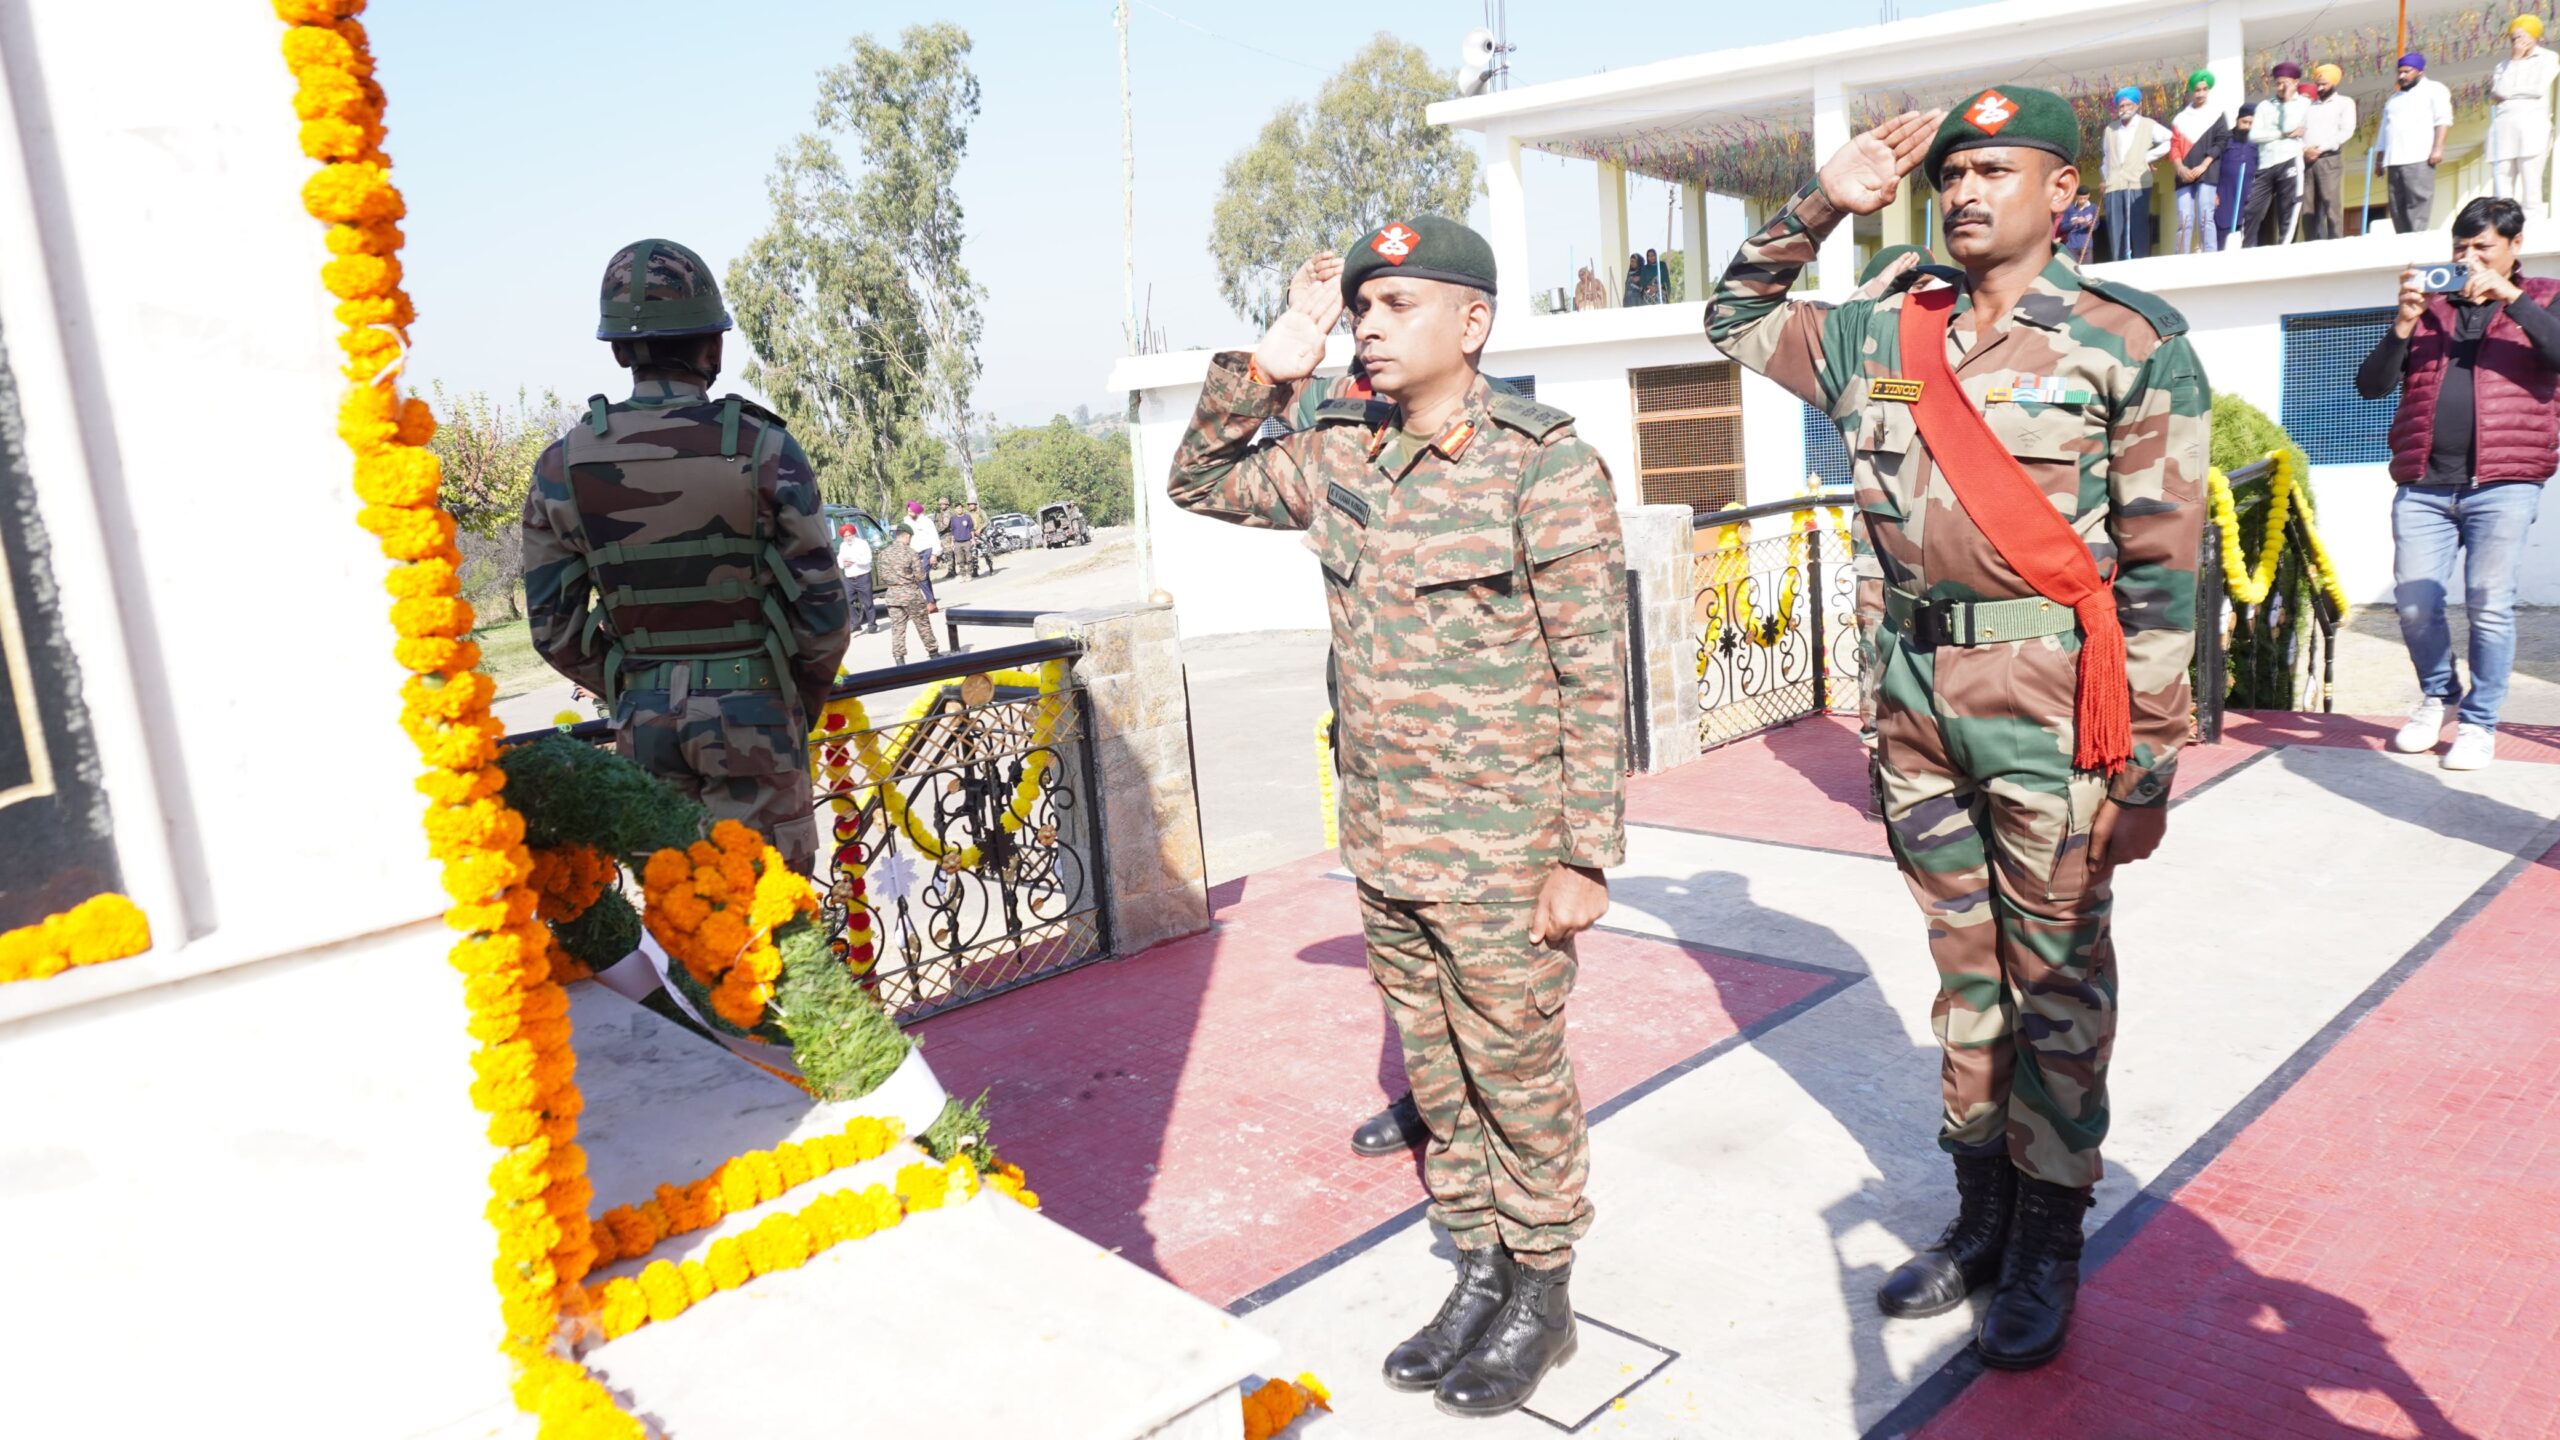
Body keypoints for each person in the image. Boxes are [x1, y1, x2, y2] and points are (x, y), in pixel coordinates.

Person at [1708, 87, 2208, 1371]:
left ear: (2061, 193)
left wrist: (2145, 765)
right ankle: (1978, 1213)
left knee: (2055, 984)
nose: (1968, 190)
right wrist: (1828, 198)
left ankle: (2048, 1235)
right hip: (1915, 704)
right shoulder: (1885, 324)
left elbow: (2160, 568)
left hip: (2054, 709)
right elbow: (1733, 315)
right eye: (1954, 173)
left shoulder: (2126, 341)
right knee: (1966, 976)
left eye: (1998, 168)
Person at [1169, 219, 1626, 1417]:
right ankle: (1474, 1265)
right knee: (1433, 1063)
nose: (1369, 325)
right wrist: (1281, 355)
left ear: (1470, 325)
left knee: (1514, 1069)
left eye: (1396, 305)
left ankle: (1542, 1289)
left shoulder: (1544, 465)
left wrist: (1582, 853)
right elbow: (1202, 478)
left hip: (1503, 842)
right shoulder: (1341, 454)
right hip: (1382, 833)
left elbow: (1592, 670)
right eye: (1359, 307)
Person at [521, 238, 851, 873]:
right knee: (771, 926)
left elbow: (553, 629)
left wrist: (639, 690)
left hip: (644, 728)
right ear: (713, 345)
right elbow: (823, 614)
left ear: (618, 349)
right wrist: (788, 702)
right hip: (757, 715)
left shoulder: (564, 463)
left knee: (683, 927)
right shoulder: (764, 448)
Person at [2356, 197, 2560, 771]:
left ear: (2514, 247)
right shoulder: (2430, 309)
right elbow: (2370, 386)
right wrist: (2401, 323)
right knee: (2415, 604)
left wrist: (2511, 299)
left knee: (2490, 605)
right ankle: (2439, 697)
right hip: (2424, 482)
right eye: (2460, 249)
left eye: (2482, 248)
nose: (2468, 259)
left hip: (2505, 483)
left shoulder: (2544, 296)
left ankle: (2479, 723)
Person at [2490, 16, 2558, 216]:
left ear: (2534, 36)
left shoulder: (2548, 58)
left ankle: (2534, 225)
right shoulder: (2504, 64)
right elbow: (2498, 92)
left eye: (2521, 37)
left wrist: (2509, 93)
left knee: (2531, 181)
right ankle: (2503, 225)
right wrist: (2516, 60)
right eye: (2513, 38)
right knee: (2502, 181)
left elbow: (2537, 89)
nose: (2517, 42)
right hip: (2503, 127)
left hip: (2532, 127)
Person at [2378, 53, 2452, 234]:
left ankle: (2418, 247)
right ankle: (2404, 247)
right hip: (2394, 160)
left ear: (2420, 71)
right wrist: (2379, 159)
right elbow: (2383, 131)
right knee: (2397, 208)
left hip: (2419, 157)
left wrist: (2438, 149)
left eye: (2406, 72)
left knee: (2417, 205)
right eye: (2399, 72)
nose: (2401, 76)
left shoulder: (2435, 89)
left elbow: (2443, 120)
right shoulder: (2394, 99)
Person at [2242, 62, 2311, 246]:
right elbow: (2255, 135)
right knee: (2252, 209)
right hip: (2266, 164)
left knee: (2288, 208)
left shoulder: (2303, 103)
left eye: (2285, 83)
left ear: (2296, 82)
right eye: (2278, 83)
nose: (2281, 88)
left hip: (2289, 160)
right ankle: (2246, 248)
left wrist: (2288, 101)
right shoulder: (2265, 106)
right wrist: (2282, 134)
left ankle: (2285, 249)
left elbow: (2290, 125)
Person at [2100, 86, 2171, 260]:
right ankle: (2119, 264)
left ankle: (2140, 263)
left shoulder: (2148, 125)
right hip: (2114, 184)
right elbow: (2106, 157)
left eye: (2128, 105)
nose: (2124, 109)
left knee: (2138, 226)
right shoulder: (2110, 129)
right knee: (2116, 230)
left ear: (2137, 105)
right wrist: (2104, 179)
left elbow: (2171, 140)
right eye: (2121, 106)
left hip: (2137, 182)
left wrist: (2149, 156)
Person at [2169, 71, 2231, 254]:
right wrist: (2180, 168)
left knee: (2206, 216)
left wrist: (2204, 165)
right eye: (2197, 90)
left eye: (2204, 89)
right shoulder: (2180, 119)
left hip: (2208, 172)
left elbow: (2222, 141)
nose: (2201, 94)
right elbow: (2173, 147)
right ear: (2191, 92)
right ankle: (2180, 257)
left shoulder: (2217, 114)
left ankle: (2210, 255)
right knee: (2185, 219)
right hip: (2184, 175)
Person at [2302, 63, 2358, 240]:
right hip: (2307, 161)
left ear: (2334, 83)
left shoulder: (2344, 103)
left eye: (2324, 84)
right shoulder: (2309, 107)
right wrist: (2305, 150)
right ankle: (2312, 244)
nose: (2319, 88)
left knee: (2330, 203)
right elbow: (2300, 132)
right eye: (2317, 84)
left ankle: (2336, 242)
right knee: (2308, 208)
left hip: (2329, 159)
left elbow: (2346, 131)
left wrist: (2320, 149)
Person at [876, 525, 941, 666]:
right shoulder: (910, 552)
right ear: (907, 536)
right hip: (910, 593)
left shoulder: (883, 554)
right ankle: (933, 653)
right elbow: (921, 575)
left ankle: (899, 659)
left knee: (897, 628)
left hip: (892, 594)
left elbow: (882, 577)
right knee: (922, 624)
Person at [2216, 105, 2260, 248]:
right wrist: (2214, 192)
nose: (2247, 126)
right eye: (2244, 122)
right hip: (2225, 196)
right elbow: (2214, 166)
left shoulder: (2258, 142)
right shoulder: (2224, 140)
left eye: (2250, 123)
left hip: (2249, 198)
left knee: (2248, 240)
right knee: (2224, 239)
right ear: (2237, 120)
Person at [836, 522, 877, 636]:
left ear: (854, 534)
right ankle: (855, 624)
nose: (848, 538)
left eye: (849, 535)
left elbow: (867, 559)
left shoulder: (862, 544)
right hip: (849, 578)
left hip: (863, 576)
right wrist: (843, 563)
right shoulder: (843, 545)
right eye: (845, 536)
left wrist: (854, 560)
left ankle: (872, 625)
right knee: (847, 601)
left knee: (867, 602)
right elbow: (839, 560)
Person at [904, 500, 941, 607]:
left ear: (917, 511)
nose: (909, 513)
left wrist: (935, 554)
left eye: (911, 511)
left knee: (921, 575)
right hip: (914, 552)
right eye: (908, 511)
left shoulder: (927, 522)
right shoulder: (906, 522)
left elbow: (935, 537)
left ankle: (930, 602)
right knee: (924, 577)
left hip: (927, 551)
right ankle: (931, 600)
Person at [2057, 188, 2097, 264]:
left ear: (2088, 196)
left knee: (2086, 271)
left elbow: (2095, 226)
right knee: (2073, 270)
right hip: (2072, 246)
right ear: (2076, 196)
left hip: (2086, 246)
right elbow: (2062, 227)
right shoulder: (2070, 208)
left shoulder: (2093, 208)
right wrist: (2074, 222)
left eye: (2085, 198)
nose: (2082, 200)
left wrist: (2086, 222)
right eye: (2080, 198)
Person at [945, 498, 979, 580]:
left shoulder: (967, 517)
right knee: (960, 560)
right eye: (957, 508)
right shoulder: (953, 519)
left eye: (960, 508)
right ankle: (963, 575)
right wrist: (952, 542)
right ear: (955, 510)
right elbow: (952, 531)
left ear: (962, 508)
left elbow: (971, 529)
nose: (959, 509)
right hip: (957, 542)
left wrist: (973, 539)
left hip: (967, 540)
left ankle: (969, 574)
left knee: (969, 559)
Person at [968, 501, 998, 576]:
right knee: (973, 553)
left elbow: (987, 521)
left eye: (972, 504)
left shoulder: (981, 512)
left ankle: (990, 567)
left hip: (981, 535)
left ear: (975, 505)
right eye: (969, 505)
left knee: (986, 553)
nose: (970, 506)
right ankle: (975, 570)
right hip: (972, 536)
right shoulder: (968, 514)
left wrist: (980, 529)